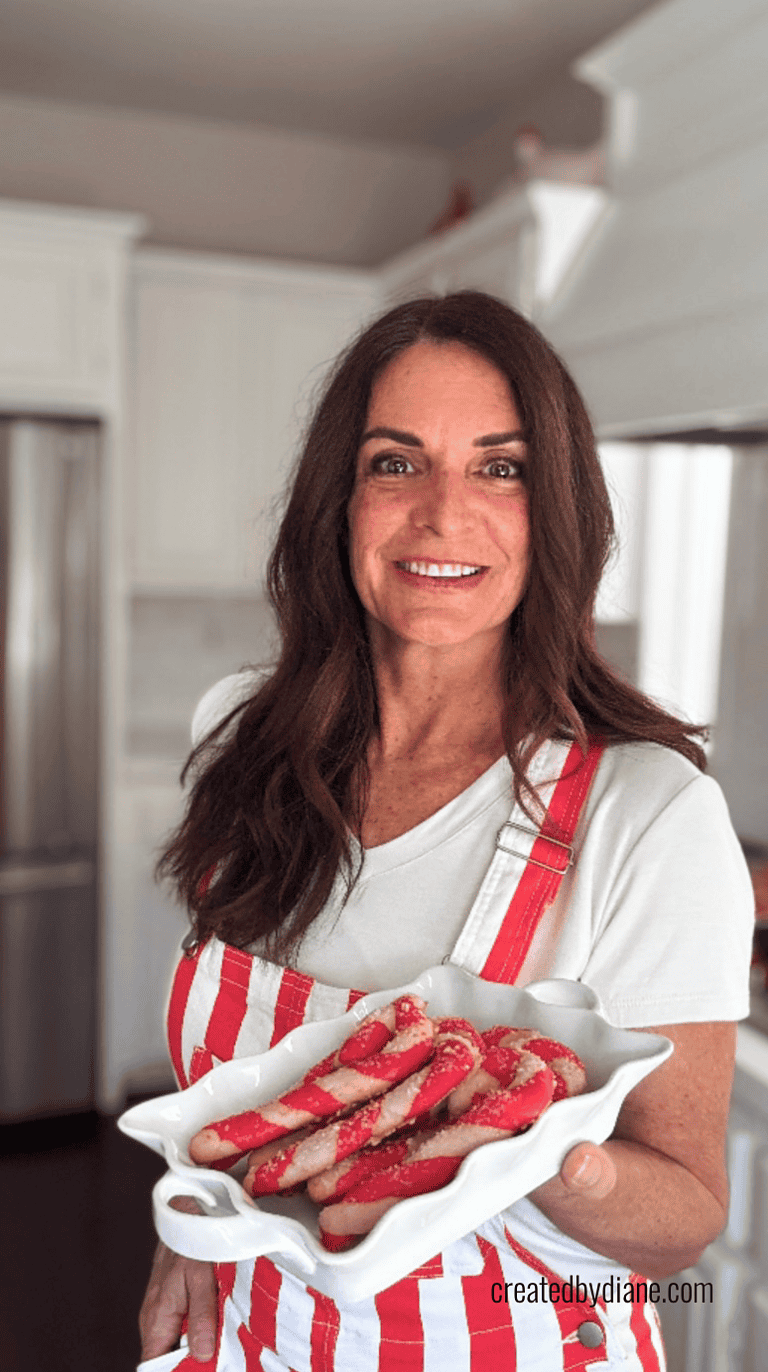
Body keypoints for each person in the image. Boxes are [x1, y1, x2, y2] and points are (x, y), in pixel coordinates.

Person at [138, 291, 753, 1371]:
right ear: (340, 498)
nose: (441, 512)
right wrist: (194, 1216)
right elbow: (220, 1104)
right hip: (246, 1338)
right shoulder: (243, 736)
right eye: (395, 461)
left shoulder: (648, 814)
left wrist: (542, 1146)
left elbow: (687, 1216)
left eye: (500, 467)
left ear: (553, 509)